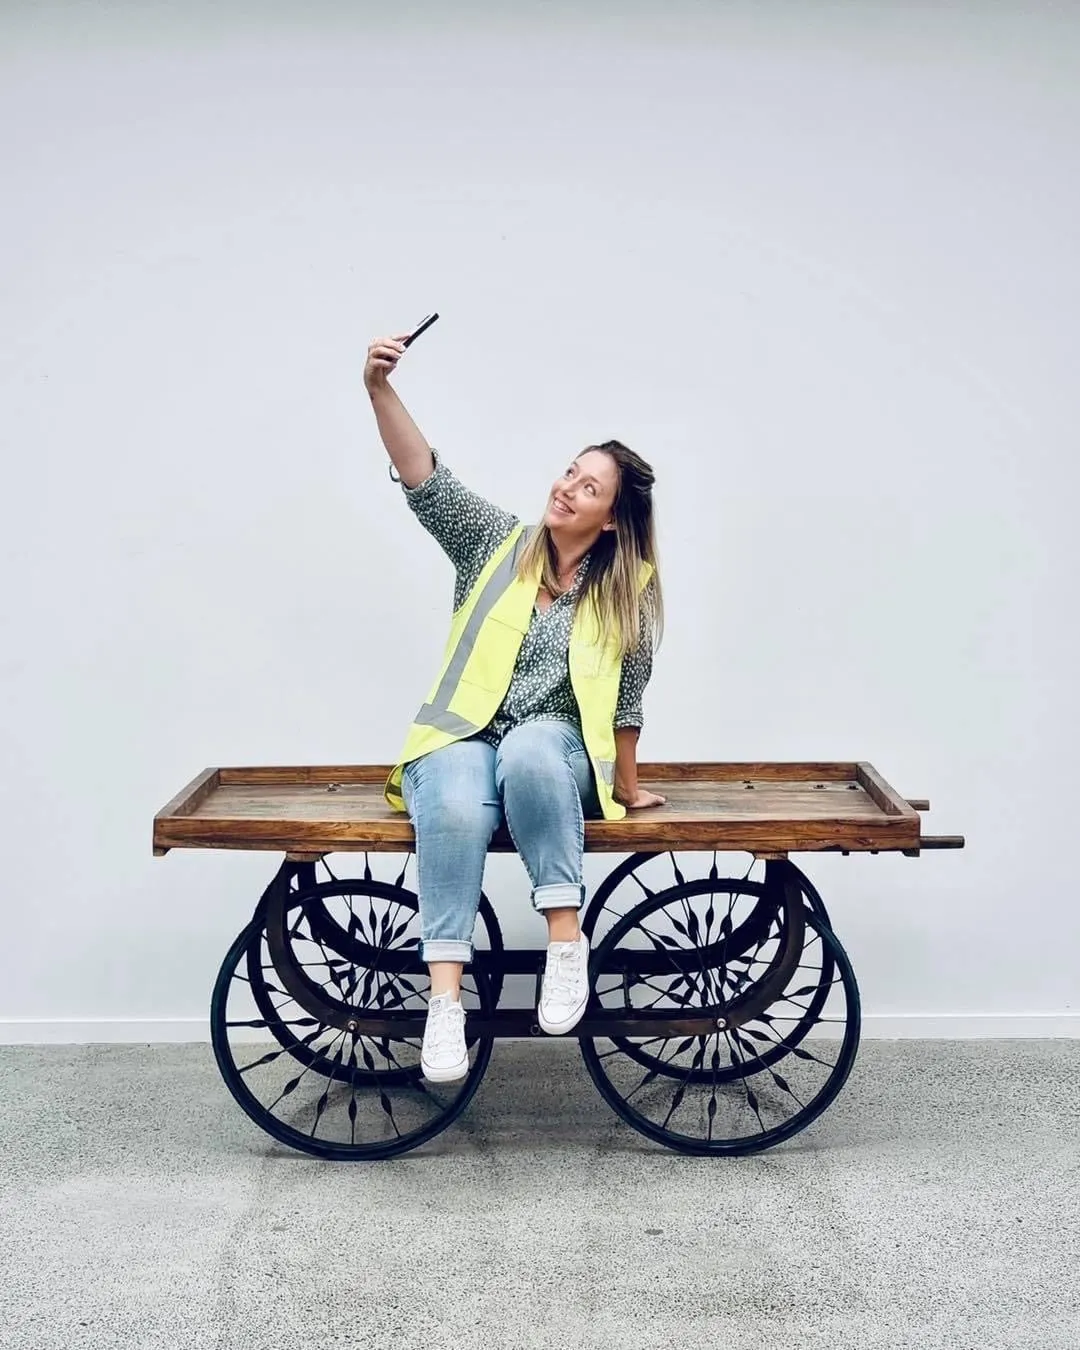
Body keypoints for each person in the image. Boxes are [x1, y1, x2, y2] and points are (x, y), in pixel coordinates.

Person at [364, 331, 666, 1084]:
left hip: (551, 748)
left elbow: (625, 703)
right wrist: (379, 388)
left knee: (532, 745)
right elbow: (425, 478)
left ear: (611, 522)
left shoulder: (629, 595)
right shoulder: (495, 545)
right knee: (462, 801)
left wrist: (628, 787)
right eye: (570, 471)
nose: (566, 487)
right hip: (461, 738)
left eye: (588, 488)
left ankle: (566, 943)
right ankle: (444, 1003)